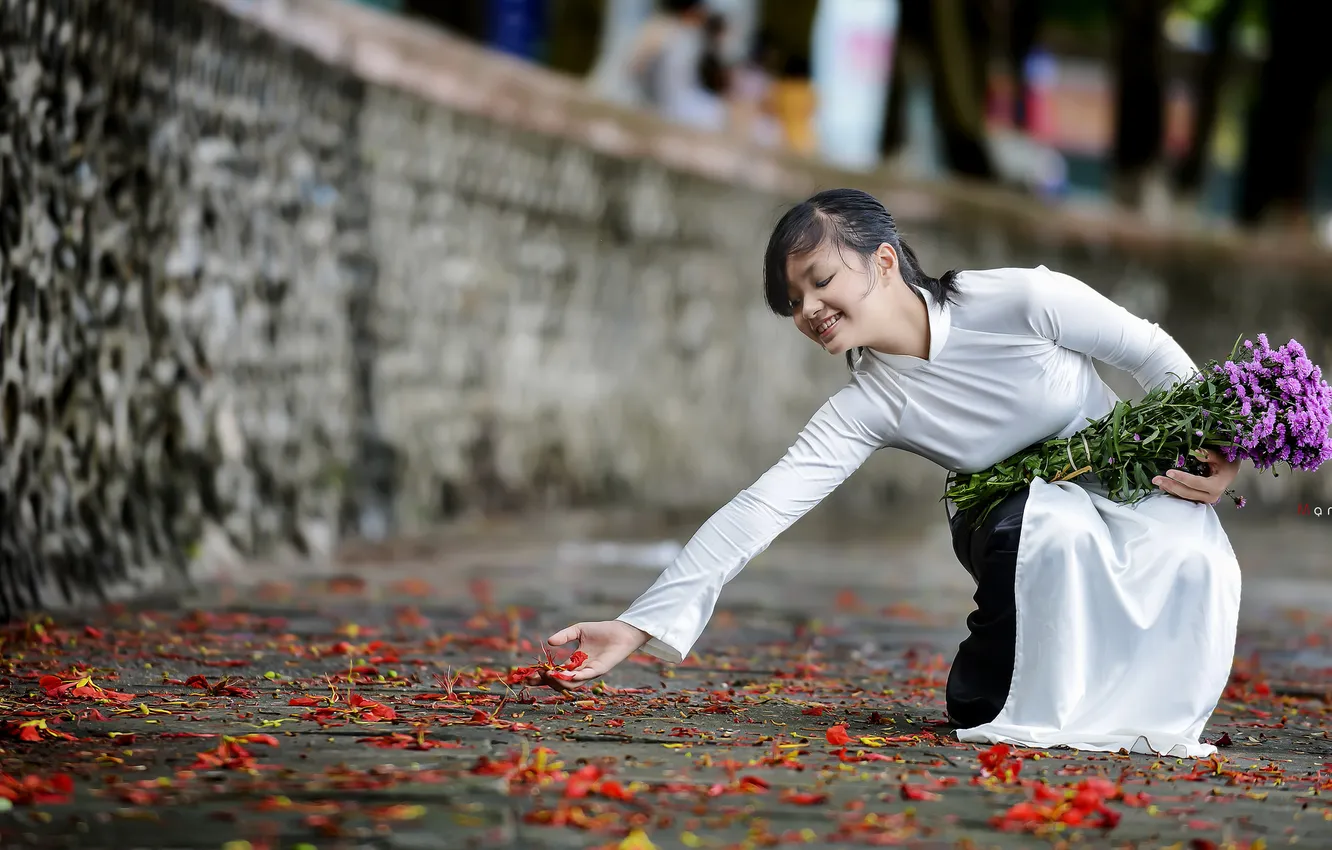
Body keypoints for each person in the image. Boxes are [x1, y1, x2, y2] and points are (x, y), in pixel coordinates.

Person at [534, 189, 1243, 758]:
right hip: (1011, 520)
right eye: (793, 302)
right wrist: (636, 627)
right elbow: (762, 507)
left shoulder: (1022, 300)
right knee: (1038, 544)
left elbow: (1152, 355)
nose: (808, 310)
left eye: (819, 282)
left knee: (1193, 551)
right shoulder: (868, 404)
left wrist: (1212, 450)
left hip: (1117, 481)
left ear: (881, 262)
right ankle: (1004, 682)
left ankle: (1130, 694)